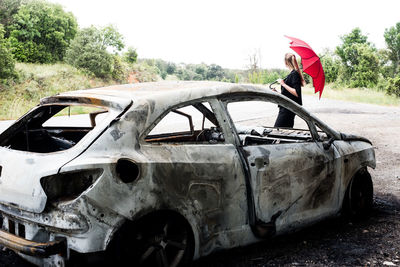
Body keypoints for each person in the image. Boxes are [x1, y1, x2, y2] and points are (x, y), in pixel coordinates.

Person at [273, 53, 305, 128]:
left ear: (286, 62)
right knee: (284, 132)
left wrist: (283, 84)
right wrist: (277, 93)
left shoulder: (294, 74)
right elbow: (289, 94)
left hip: (288, 109)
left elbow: (296, 93)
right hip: (285, 108)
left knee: (278, 130)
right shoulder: (291, 74)